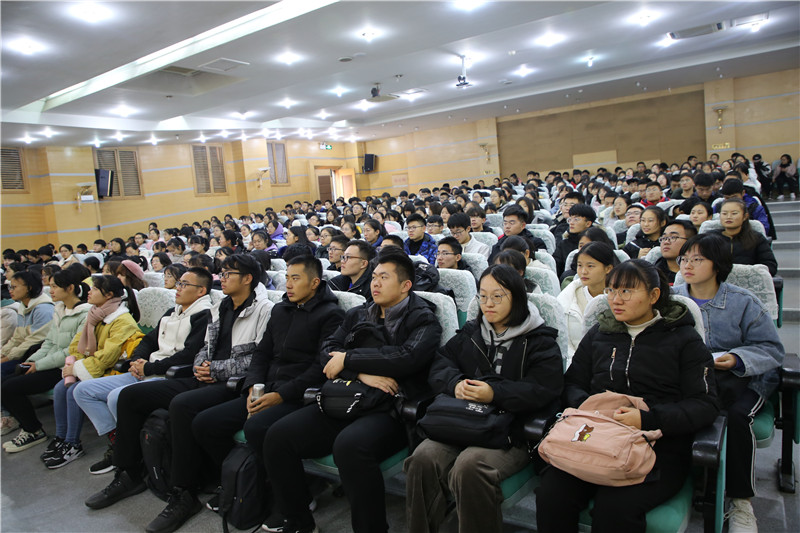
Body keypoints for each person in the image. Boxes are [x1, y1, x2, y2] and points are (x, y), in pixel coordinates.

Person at [84, 255, 273, 533]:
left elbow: (259, 357)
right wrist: (200, 365)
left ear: (247, 279)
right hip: (202, 377)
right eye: (222, 273)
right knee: (130, 397)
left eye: (228, 274)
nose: (222, 278)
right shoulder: (221, 306)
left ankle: (183, 493)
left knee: (182, 405)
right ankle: (129, 473)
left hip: (232, 384)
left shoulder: (264, 310)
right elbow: (204, 347)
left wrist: (215, 370)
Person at [263, 251, 442, 533]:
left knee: (349, 446)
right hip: (346, 395)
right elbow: (326, 352)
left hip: (390, 407)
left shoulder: (423, 319)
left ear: (406, 285)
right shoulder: (358, 313)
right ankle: (299, 522)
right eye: (374, 277)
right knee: (278, 436)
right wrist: (358, 372)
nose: (375, 283)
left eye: (384, 278)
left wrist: (348, 358)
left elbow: (406, 358)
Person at [536, 259, 719, 533]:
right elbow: (572, 383)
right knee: (552, 496)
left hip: (656, 444)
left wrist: (648, 418)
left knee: (615, 509)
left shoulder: (683, 340)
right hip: (594, 435)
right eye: (611, 290)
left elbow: (705, 404)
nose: (615, 299)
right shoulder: (600, 333)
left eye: (626, 291)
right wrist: (593, 407)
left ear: (653, 295)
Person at [405, 263, 563, 533]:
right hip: (464, 420)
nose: (488, 304)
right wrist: (455, 384)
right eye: (483, 296)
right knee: (422, 458)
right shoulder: (472, 332)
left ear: (517, 298)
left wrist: (494, 393)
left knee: (470, 467)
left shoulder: (539, 341)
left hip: (511, 430)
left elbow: (544, 389)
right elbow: (441, 363)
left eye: (497, 296)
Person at [192, 256, 346, 526]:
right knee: (206, 423)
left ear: (314, 283)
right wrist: (253, 385)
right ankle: (248, 483)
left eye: (295, 278)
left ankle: (294, 496)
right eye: (286, 278)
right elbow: (262, 354)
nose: (288, 284)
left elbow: (319, 367)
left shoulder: (331, 315)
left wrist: (281, 395)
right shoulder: (280, 310)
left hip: (298, 394)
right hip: (266, 388)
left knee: (257, 427)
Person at [673, 233, 784, 533]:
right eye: (684, 259)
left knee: (736, 418)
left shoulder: (742, 301)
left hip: (743, 378)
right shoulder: (673, 299)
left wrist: (736, 358)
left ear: (718, 264)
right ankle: (684, 481)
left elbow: (771, 349)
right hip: (695, 378)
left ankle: (740, 500)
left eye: (698, 259)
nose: (687, 265)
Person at [72, 268, 213, 474]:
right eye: (179, 283)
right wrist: (137, 360)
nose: (178, 288)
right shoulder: (172, 312)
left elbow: (188, 355)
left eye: (184, 284)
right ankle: (119, 443)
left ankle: (133, 454)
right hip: (146, 370)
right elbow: (148, 340)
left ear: (201, 291)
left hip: (167, 376)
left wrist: (148, 367)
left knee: (116, 397)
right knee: (82, 391)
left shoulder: (205, 315)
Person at [43, 275, 142, 469]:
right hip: (94, 366)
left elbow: (108, 356)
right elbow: (75, 346)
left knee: (73, 390)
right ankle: (62, 438)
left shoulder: (122, 320)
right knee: (60, 388)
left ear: (109, 295)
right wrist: (75, 364)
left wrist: (77, 368)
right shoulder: (95, 314)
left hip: (111, 370)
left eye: (95, 289)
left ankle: (74, 443)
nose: (89, 292)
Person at [1, 270, 91, 449]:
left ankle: (34, 431)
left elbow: (72, 351)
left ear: (70, 288)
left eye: (55, 286)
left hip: (65, 368)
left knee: (10, 387)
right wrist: (31, 361)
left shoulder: (85, 314)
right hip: (49, 362)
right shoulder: (59, 310)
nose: (51, 290)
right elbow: (49, 342)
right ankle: (27, 426)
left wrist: (39, 365)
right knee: (5, 381)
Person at [557, 242, 620, 365]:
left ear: (608, 268)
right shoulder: (569, 297)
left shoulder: (619, 299)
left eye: (590, 266)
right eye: (580, 265)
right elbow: (563, 341)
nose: (583, 272)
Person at [0, 270, 55, 376]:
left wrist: (6, 358)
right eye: (10, 287)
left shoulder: (43, 309)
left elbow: (33, 341)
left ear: (29, 288)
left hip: (36, 357)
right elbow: (17, 338)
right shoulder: (23, 306)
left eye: (14, 287)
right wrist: (2, 354)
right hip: (21, 354)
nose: (10, 291)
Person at [715, 198, 777, 276]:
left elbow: (770, 266)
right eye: (724, 213)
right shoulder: (710, 237)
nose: (728, 217)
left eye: (734, 213)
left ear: (745, 216)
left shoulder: (756, 238)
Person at [553, 204, 596, 276]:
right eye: (570, 219)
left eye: (576, 219)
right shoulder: (564, 244)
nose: (571, 223)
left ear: (588, 223)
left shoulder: (599, 241)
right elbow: (556, 268)